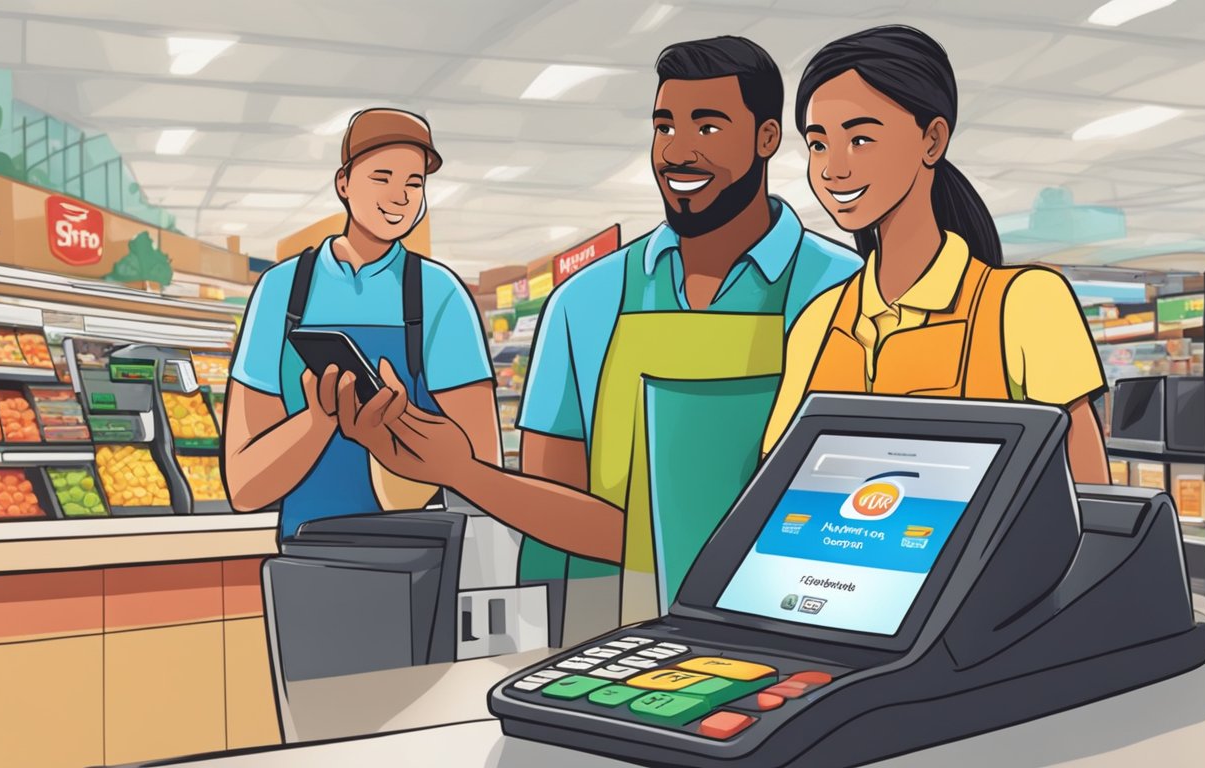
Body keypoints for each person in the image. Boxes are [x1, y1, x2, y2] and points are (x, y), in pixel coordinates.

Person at [336, 37, 862, 644]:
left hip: (790, 642)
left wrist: (466, 472)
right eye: (664, 127)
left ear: (767, 138)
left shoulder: (843, 293)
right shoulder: (583, 303)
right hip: (603, 645)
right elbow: (554, 513)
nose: (678, 151)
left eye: (708, 128)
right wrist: (460, 471)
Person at [762, 26, 1110, 483]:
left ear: (933, 140)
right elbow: (777, 486)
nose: (833, 169)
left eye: (860, 139)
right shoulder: (819, 322)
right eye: (818, 144)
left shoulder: (1025, 304)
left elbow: (1091, 502)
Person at [223, 108, 500, 540]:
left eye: (415, 183)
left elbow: (484, 475)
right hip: (307, 553)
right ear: (344, 183)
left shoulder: (439, 294)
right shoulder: (281, 291)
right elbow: (244, 486)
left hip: (424, 553)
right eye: (383, 177)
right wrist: (319, 420)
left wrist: (400, 424)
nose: (401, 196)